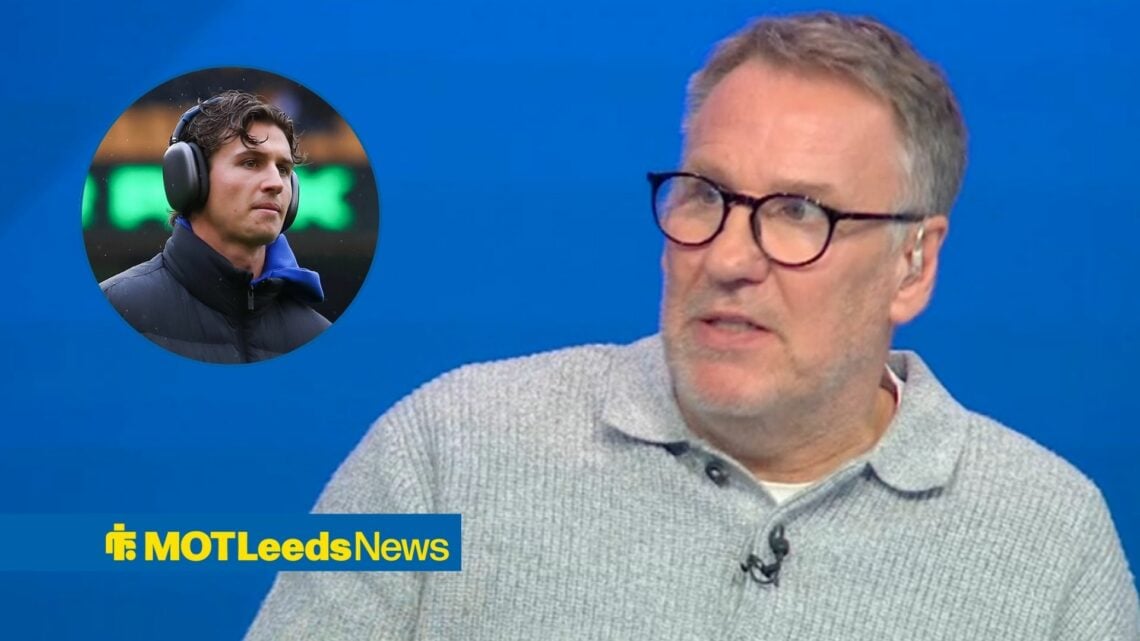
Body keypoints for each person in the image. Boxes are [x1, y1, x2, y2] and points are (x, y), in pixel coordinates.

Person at [246, 12, 1139, 639]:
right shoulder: (447, 450)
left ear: (914, 261)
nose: (728, 256)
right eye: (706, 195)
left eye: (797, 212)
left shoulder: (1049, 537)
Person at [100, 90, 329, 364]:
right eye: (250, 162)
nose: (276, 183)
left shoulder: (319, 337)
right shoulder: (115, 310)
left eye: (282, 169)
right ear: (189, 179)